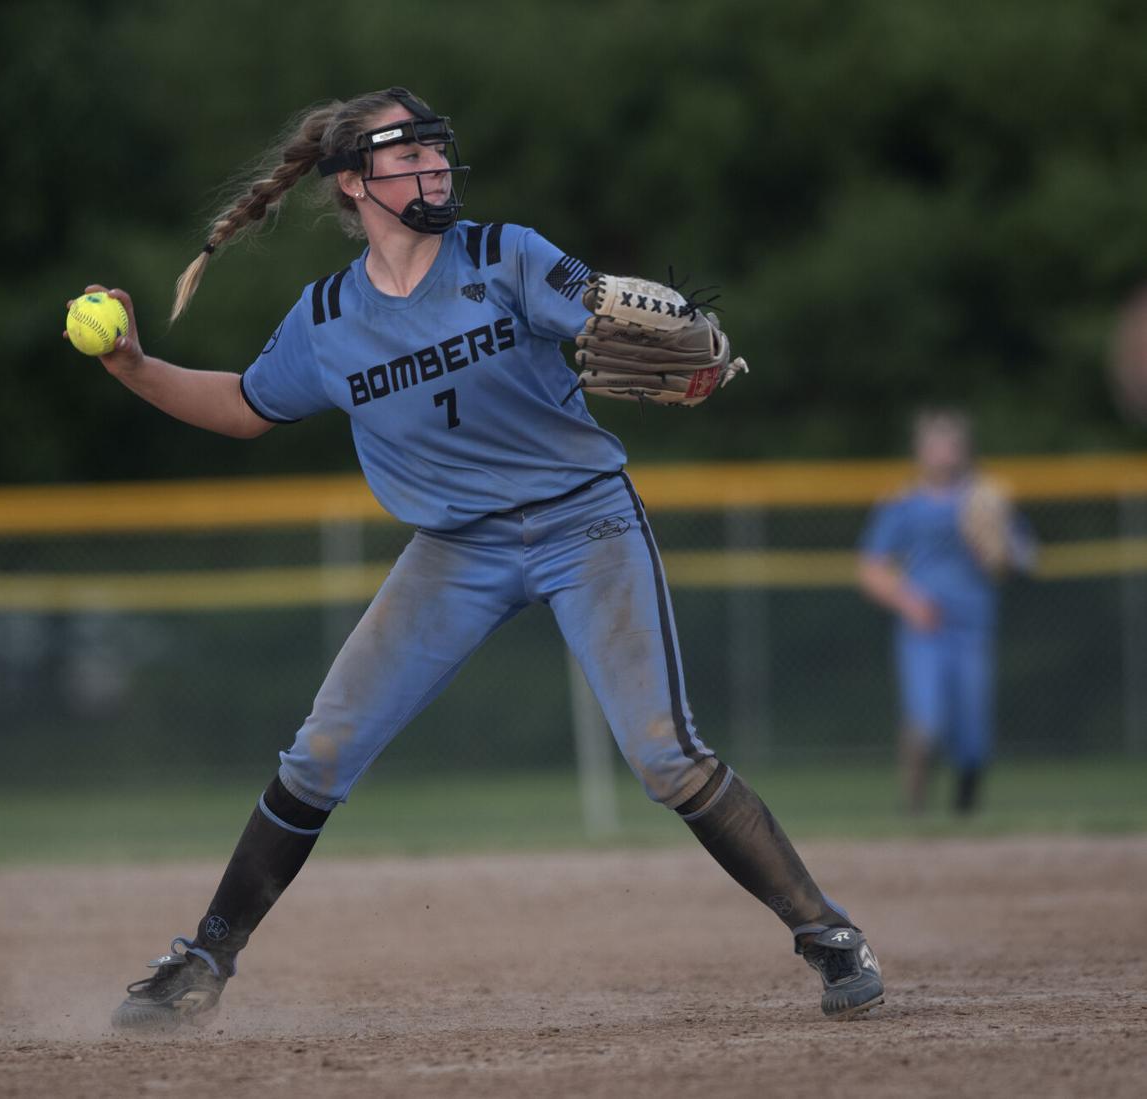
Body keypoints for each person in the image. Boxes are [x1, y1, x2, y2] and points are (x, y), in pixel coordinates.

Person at [69, 87, 884, 1029]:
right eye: (404, 157)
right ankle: (205, 956)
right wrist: (132, 364)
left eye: (436, 153)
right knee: (319, 753)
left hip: (585, 523)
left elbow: (608, 313)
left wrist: (649, 329)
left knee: (664, 756)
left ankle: (829, 935)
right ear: (350, 182)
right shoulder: (328, 316)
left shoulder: (505, 256)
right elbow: (245, 406)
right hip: (454, 550)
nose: (432, 170)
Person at [858, 409, 1037, 815]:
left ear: (965, 449)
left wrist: (1001, 551)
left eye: (951, 444)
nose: (943, 453)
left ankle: (965, 814)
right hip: (925, 627)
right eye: (935, 444)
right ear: (919, 451)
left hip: (973, 627)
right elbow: (869, 568)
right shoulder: (903, 503)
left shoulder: (986, 498)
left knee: (973, 736)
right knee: (927, 723)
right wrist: (909, 601)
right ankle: (914, 805)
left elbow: (1024, 557)